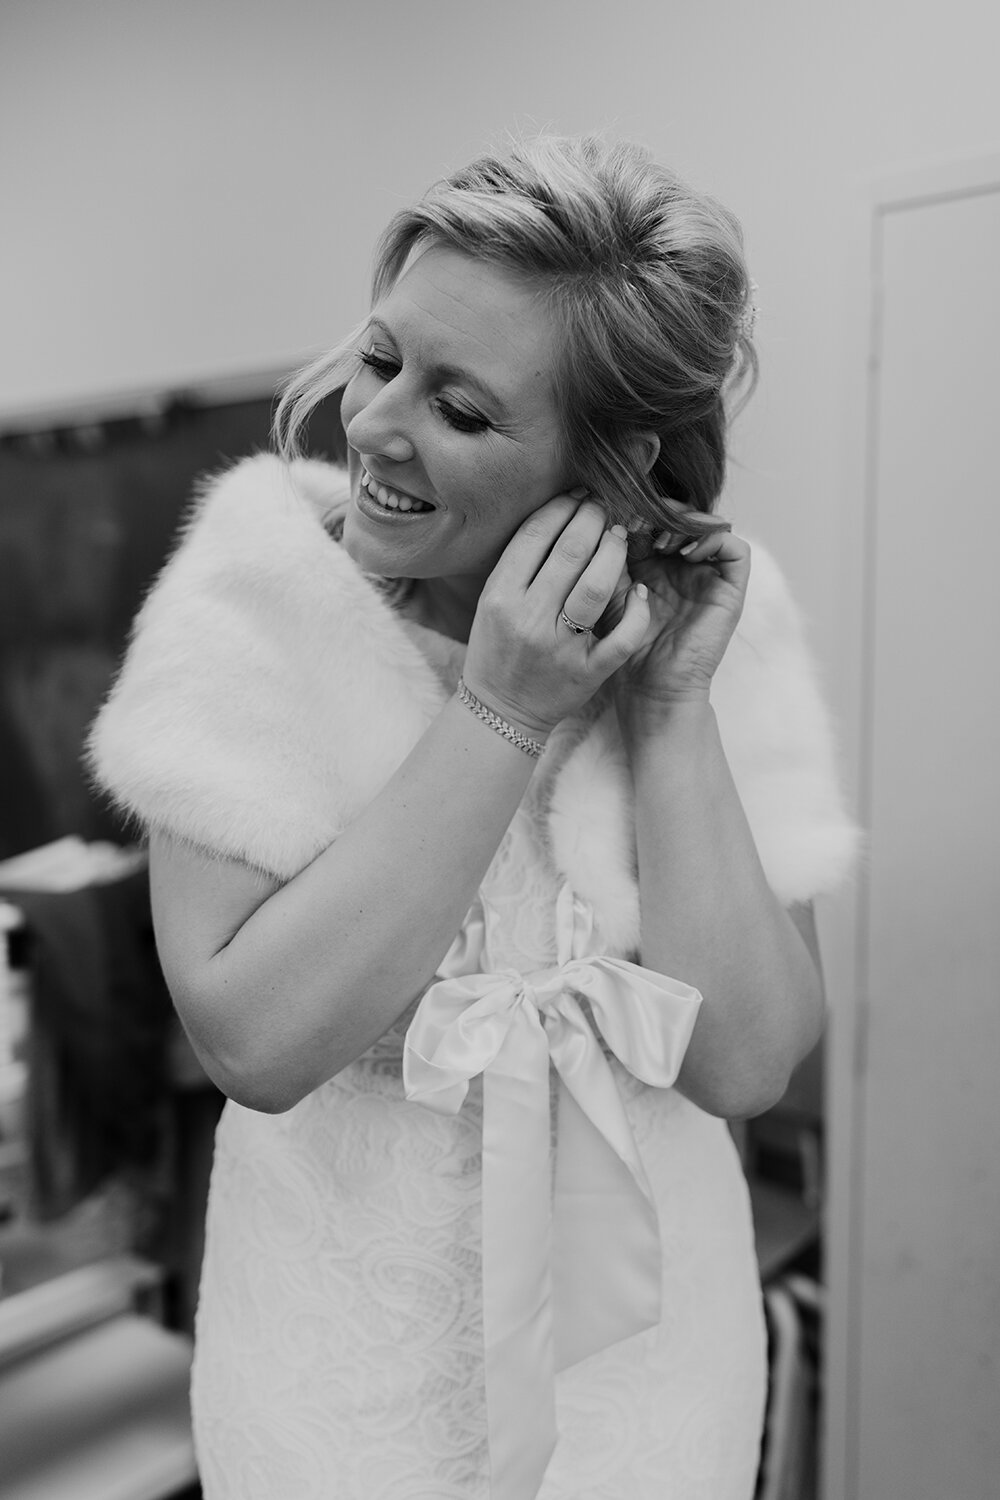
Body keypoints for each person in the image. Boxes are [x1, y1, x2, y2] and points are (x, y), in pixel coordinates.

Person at [88, 134, 856, 1500]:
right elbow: (252, 1039)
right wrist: (499, 712)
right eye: (383, 360)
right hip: (339, 1373)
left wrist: (669, 710)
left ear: (612, 461)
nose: (378, 425)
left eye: (464, 409)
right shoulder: (253, 600)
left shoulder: (719, 630)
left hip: (651, 1371)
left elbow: (745, 1070)